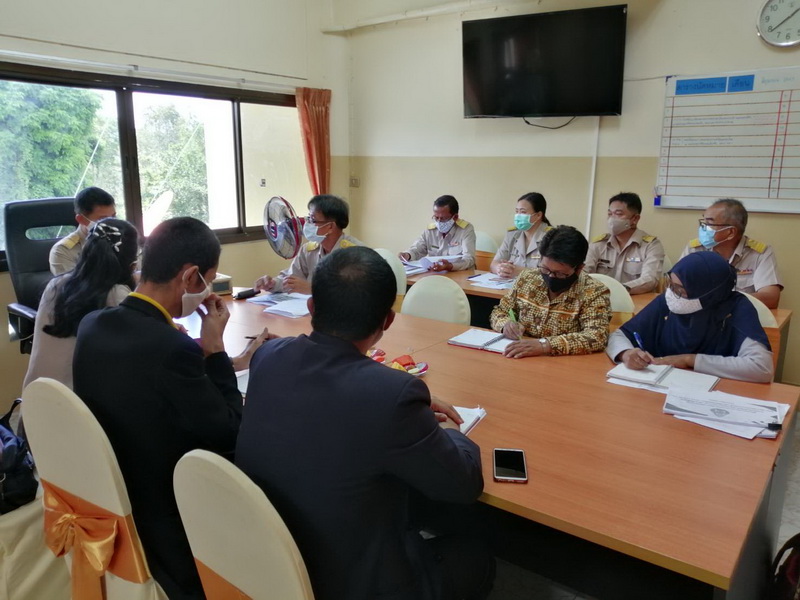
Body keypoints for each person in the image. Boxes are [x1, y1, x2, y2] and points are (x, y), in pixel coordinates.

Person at [236, 246, 492, 600]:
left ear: (312, 307)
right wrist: (447, 431)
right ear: (388, 321)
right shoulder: (393, 395)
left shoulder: (267, 356)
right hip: (352, 581)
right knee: (477, 558)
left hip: (272, 559)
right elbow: (464, 486)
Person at [73, 217, 244, 600]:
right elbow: (229, 431)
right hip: (168, 516)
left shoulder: (92, 325)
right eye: (207, 281)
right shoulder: (171, 348)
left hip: (112, 493)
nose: (206, 291)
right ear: (190, 277)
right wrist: (214, 351)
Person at [606, 252, 773, 383]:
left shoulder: (736, 308)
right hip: (659, 385)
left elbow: (761, 367)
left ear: (708, 293)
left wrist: (689, 360)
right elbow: (619, 335)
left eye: (680, 289)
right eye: (670, 284)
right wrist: (626, 353)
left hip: (716, 391)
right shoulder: (668, 300)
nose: (671, 293)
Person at [23, 219, 137, 390]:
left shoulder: (56, 285)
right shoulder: (117, 295)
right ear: (132, 265)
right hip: (78, 403)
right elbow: (139, 351)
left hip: (36, 396)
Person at [489, 225, 611, 359]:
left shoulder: (593, 292)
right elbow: (499, 311)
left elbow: (596, 337)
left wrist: (545, 345)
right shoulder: (527, 278)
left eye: (560, 273)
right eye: (545, 269)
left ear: (579, 269)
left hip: (564, 362)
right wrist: (505, 324)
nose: (551, 276)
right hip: (520, 355)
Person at [679, 198, 782, 308]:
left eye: (709, 223)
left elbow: (771, 298)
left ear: (731, 232)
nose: (703, 228)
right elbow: (676, 290)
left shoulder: (760, 254)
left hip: (741, 315)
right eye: (703, 222)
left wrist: (723, 302)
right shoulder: (694, 249)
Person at [254, 194, 361, 294]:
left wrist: (313, 289)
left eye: (312, 220)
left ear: (330, 227)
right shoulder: (308, 250)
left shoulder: (356, 254)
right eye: (308, 218)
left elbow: (354, 294)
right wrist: (272, 284)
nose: (307, 223)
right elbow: (291, 279)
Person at [584, 192, 665, 294]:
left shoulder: (651, 245)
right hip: (599, 297)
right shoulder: (598, 244)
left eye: (618, 214)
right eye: (610, 214)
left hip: (634, 299)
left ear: (635, 219)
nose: (611, 219)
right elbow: (584, 272)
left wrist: (619, 290)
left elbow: (650, 279)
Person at [49, 186, 117, 275]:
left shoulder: (121, 240)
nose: (111, 223)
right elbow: (74, 283)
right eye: (103, 219)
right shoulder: (62, 251)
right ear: (81, 219)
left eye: (113, 217)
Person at [399, 195, 476, 271]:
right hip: (436, 273)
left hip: (459, 274)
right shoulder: (430, 231)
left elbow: (469, 259)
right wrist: (407, 255)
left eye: (443, 218)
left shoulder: (466, 230)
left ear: (455, 217)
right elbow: (417, 250)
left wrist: (450, 266)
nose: (439, 221)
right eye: (436, 217)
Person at [490, 192, 552, 278]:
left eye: (523, 212)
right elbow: (494, 263)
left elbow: (551, 273)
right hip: (509, 284)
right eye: (517, 211)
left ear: (538, 215)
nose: (518, 216)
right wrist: (500, 268)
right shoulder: (512, 234)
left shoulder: (552, 238)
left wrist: (520, 271)